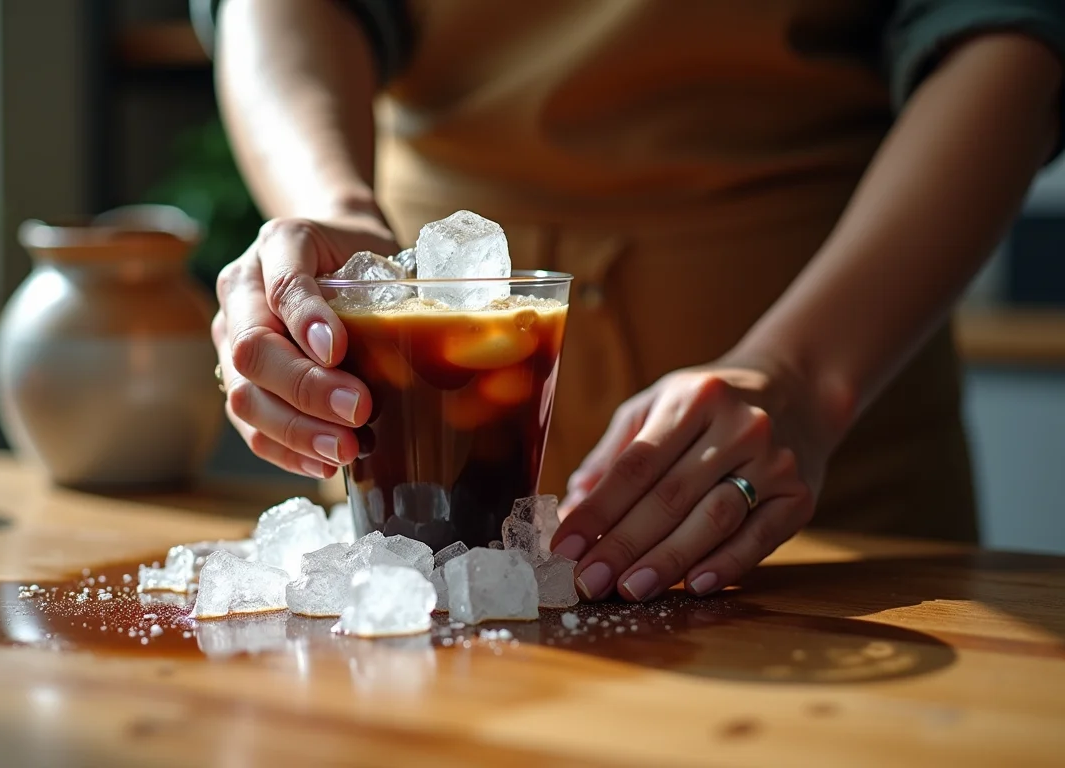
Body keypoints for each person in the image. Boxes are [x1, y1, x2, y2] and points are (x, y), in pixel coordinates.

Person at [199, 0, 1064, 602]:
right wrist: (337, 216)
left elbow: (1009, 29)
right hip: (411, 435)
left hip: (820, 482)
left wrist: (803, 377)